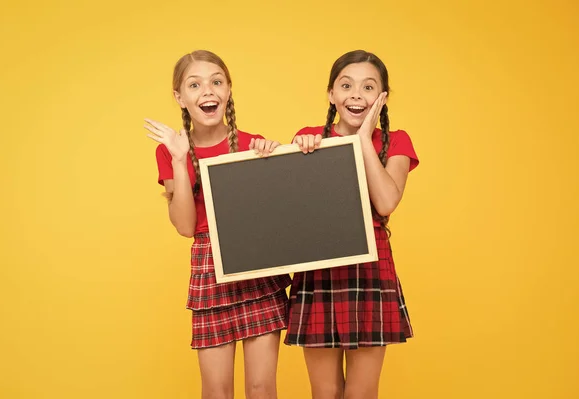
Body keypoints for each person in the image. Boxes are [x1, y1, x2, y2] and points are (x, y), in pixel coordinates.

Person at [145, 50, 291, 399]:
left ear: (228, 90)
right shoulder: (170, 151)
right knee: (216, 390)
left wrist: (274, 163)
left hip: (257, 263)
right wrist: (180, 160)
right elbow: (184, 226)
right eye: (194, 85)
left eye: (216, 81)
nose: (207, 91)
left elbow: (281, 217)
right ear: (180, 97)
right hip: (209, 264)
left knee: (261, 387)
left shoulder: (253, 144)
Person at [285, 50, 420, 399]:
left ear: (382, 98)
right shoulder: (309, 138)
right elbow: (291, 209)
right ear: (331, 94)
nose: (356, 94)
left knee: (361, 393)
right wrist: (297, 153)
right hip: (318, 268)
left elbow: (387, 201)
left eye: (368, 87)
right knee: (325, 393)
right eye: (346, 85)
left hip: (370, 269)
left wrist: (362, 142)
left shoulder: (395, 141)